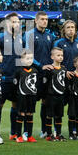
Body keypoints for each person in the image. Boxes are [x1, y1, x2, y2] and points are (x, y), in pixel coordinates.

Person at [23, 11, 55, 139]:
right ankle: (26, 131)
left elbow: (53, 55)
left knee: (46, 103)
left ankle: (45, 130)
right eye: (42, 19)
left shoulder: (50, 36)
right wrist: (41, 66)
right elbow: (27, 55)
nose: (44, 21)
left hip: (47, 75)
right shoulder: (29, 35)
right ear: (36, 21)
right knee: (30, 103)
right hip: (33, 74)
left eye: (46, 19)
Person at [0, 12, 23, 141]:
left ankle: (14, 133)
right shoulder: (0, 38)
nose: (16, 24)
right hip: (4, 78)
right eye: (14, 21)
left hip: (17, 78)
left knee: (16, 105)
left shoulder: (22, 38)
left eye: (18, 22)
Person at [54, 20, 78, 135]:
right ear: (64, 30)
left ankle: (75, 130)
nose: (71, 29)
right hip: (62, 79)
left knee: (75, 106)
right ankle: (56, 130)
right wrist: (64, 71)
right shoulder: (59, 43)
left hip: (75, 80)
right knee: (59, 105)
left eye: (73, 27)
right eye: (68, 27)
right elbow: (55, 60)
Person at [13, 50, 38, 143]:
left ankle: (29, 135)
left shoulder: (35, 71)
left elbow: (36, 84)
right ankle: (18, 136)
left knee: (30, 114)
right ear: (22, 60)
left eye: (31, 58)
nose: (29, 60)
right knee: (21, 114)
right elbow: (15, 84)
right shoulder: (19, 71)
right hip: (22, 96)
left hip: (32, 96)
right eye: (27, 58)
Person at [43, 47, 67, 142]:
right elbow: (45, 84)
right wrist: (44, 96)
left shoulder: (64, 69)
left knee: (59, 115)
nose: (60, 57)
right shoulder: (49, 69)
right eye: (58, 55)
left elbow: (65, 83)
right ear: (52, 57)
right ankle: (49, 134)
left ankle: (58, 134)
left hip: (60, 96)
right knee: (49, 115)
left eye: (62, 55)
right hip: (51, 96)